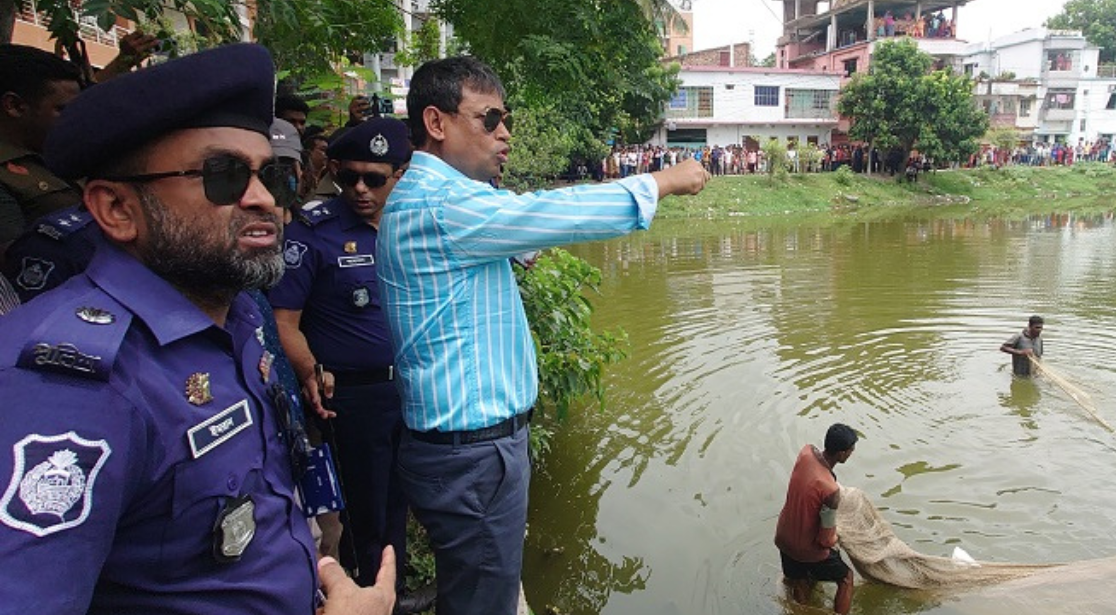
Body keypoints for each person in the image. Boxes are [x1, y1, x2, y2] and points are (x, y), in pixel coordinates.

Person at [0, 42, 372, 613]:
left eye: (273, 175)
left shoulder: (237, 314)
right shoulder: (70, 390)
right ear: (117, 209)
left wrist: (317, 566)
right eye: (222, 176)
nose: (262, 199)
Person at [377, 55, 710, 615]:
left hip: (471, 452)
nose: (504, 132)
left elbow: (512, 222)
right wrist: (662, 182)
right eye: (489, 119)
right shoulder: (439, 204)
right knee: (486, 600)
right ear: (436, 123)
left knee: (481, 587)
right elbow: (555, 212)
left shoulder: (443, 200)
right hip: (473, 455)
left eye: (506, 119)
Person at [270, 118, 430, 613]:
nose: (360, 189)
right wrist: (310, 370)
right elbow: (284, 321)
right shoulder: (312, 235)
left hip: (404, 390)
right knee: (364, 505)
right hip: (351, 399)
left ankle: (392, 590)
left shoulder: (410, 226)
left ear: (398, 175)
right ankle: (362, 592)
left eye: (375, 178)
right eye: (349, 177)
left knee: (396, 498)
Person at [0, 45, 84, 261]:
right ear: (15, 106)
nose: (75, 119)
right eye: (62, 110)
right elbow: (18, 265)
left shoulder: (68, 151)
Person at [775, 424, 859, 615]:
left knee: (800, 579)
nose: (851, 453)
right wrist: (837, 537)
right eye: (851, 450)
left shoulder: (805, 453)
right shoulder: (831, 492)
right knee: (846, 578)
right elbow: (825, 540)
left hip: (783, 538)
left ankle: (799, 610)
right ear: (842, 454)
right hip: (806, 549)